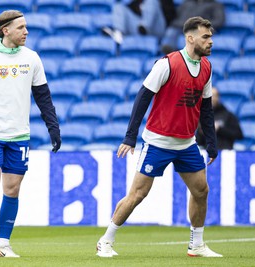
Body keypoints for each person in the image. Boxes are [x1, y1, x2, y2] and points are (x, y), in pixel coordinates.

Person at [96, 16, 223, 258]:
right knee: (138, 195)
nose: (210, 42)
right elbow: (142, 97)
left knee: (201, 190)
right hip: (157, 142)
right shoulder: (167, 64)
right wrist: (130, 137)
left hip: (187, 143)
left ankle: (196, 245)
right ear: (190, 38)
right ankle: (106, 240)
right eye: (205, 37)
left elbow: (205, 107)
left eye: (211, 37)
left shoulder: (206, 67)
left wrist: (212, 143)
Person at [0, 10, 61, 258]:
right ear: (5, 30)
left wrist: (53, 128)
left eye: (26, 27)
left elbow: (43, 97)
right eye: (21, 27)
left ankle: (4, 244)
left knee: (12, 190)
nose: (26, 32)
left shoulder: (32, 58)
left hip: (19, 136)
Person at [102, 0, 176, 44]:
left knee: (151, 1)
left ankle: (144, 26)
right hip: (139, 29)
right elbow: (131, 10)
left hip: (157, 28)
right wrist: (141, 9)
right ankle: (118, 33)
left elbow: (171, 14)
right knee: (118, 6)